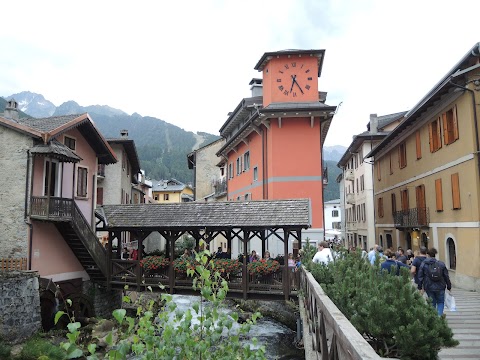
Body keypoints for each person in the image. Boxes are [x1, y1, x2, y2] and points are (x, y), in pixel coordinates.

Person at [417, 247, 452, 316]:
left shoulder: (424, 264)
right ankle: (439, 318)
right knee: (440, 302)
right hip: (440, 286)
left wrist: (420, 287)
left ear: (428, 254)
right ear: (435, 254)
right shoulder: (441, 264)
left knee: (432, 302)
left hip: (428, 286)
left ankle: (433, 318)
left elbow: (420, 276)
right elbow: (446, 276)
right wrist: (449, 286)